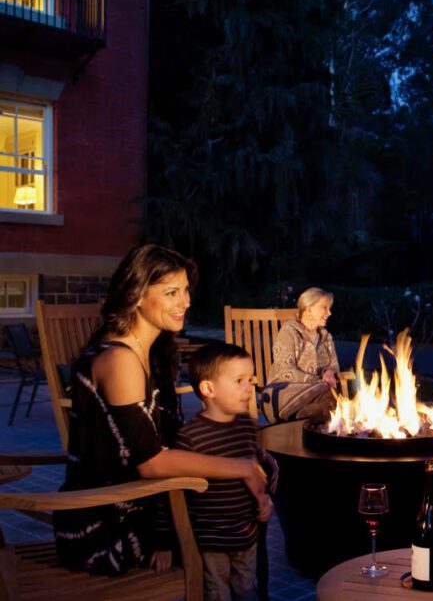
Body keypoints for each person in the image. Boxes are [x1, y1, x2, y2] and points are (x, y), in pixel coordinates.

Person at [54, 244, 270, 576]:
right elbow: (151, 463)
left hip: (143, 505)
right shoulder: (120, 359)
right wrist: (240, 467)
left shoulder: (152, 351)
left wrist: (244, 456)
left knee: (247, 491)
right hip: (106, 525)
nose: (184, 302)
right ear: (136, 295)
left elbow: (172, 439)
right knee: (232, 521)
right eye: (171, 293)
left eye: (185, 291)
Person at [163, 343, 275, 601]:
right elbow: (170, 491)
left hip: (246, 536)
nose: (249, 387)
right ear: (208, 388)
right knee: (216, 593)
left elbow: (255, 472)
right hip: (210, 541)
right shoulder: (190, 437)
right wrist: (164, 543)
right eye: (239, 380)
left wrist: (265, 498)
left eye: (251, 379)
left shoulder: (247, 427)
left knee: (247, 590)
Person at [264, 287, 340, 421]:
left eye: (329, 308)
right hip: (285, 392)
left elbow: (333, 365)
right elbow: (284, 371)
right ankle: (307, 420)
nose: (329, 313)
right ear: (308, 308)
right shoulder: (289, 332)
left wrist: (329, 372)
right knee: (329, 397)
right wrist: (315, 380)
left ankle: (305, 420)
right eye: (324, 307)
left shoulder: (326, 337)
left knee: (328, 396)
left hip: (319, 390)